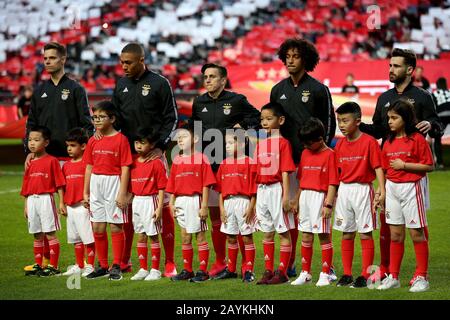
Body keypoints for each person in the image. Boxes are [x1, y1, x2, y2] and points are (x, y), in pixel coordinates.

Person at [359, 48, 441, 280]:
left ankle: (420, 271)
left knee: (417, 223)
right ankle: (386, 268)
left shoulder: (423, 96)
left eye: (395, 66)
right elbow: (377, 129)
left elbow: (436, 125)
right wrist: (358, 126)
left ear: (409, 70)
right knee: (387, 223)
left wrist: (431, 125)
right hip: (390, 167)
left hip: (414, 170)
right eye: (390, 65)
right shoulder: (384, 98)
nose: (391, 69)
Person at [23, 42, 93, 273]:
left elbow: (86, 123)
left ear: (63, 59)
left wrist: (85, 154)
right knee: (40, 210)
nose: (47, 61)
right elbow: (31, 123)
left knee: (76, 211)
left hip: (71, 159)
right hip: (45, 159)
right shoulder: (40, 90)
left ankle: (84, 263)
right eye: (45, 58)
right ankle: (42, 262)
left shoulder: (75, 89)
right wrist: (29, 151)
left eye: (52, 58)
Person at [270, 38, 336, 278]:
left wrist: (322, 153)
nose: (290, 59)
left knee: (318, 215)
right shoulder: (278, 90)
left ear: (306, 59)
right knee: (290, 214)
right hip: (287, 162)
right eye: (287, 55)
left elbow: (329, 123)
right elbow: (273, 126)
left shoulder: (319, 89)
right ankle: (290, 264)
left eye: (295, 56)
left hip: (313, 162)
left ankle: (328, 266)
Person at [112, 42, 178, 277]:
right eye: (121, 62)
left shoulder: (160, 83)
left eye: (128, 62)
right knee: (130, 207)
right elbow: (116, 118)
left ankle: (169, 262)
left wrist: (160, 146)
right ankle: (129, 261)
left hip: (154, 155)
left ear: (142, 60)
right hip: (129, 158)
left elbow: (172, 117)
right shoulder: (120, 85)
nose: (124, 67)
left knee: (163, 206)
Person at [190, 63, 260, 277]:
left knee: (237, 216)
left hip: (233, 165)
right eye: (205, 77)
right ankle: (222, 262)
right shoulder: (199, 101)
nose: (208, 80)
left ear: (223, 80)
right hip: (209, 165)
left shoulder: (236, 100)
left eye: (212, 76)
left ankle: (244, 265)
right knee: (215, 215)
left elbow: (257, 117)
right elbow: (194, 128)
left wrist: (243, 127)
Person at [376, 99, 433, 293]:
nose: (390, 121)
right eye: (388, 118)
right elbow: (383, 169)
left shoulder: (417, 139)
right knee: (396, 235)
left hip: (411, 188)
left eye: (394, 118)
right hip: (392, 189)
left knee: (416, 233)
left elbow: (429, 166)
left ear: (405, 118)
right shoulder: (388, 141)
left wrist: (405, 166)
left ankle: (422, 277)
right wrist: (380, 191)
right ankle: (394, 276)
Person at [332, 102, 385, 288]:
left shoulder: (369, 142)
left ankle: (365, 274)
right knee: (347, 233)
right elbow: (335, 173)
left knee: (365, 233)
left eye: (345, 120)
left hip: (363, 190)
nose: (341, 125)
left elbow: (379, 167)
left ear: (358, 120)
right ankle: (347, 274)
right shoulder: (339, 145)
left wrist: (382, 189)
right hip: (344, 190)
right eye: (339, 121)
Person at [83, 101, 132, 281]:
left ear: (112, 119)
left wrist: (122, 192)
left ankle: (117, 265)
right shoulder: (92, 140)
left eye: (101, 117)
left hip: (114, 183)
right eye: (94, 117)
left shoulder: (121, 140)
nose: (96, 120)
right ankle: (103, 265)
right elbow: (89, 166)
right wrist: (85, 191)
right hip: (96, 183)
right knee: (97, 225)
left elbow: (126, 167)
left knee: (115, 225)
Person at [290, 118, 338, 287]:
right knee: (306, 234)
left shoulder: (330, 154)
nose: (305, 147)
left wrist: (329, 204)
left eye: (308, 143)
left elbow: (333, 182)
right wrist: (296, 200)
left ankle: (326, 273)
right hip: (305, 198)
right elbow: (302, 179)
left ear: (320, 139)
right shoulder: (305, 153)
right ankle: (306, 273)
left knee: (324, 236)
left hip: (321, 198)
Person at [166, 125, 216, 283]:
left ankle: (202, 271)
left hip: (196, 200)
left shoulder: (202, 158)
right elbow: (172, 185)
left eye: (184, 136)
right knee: (185, 236)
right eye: (178, 137)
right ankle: (187, 270)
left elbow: (206, 184)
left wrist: (204, 206)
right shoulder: (177, 160)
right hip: (180, 201)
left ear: (194, 139)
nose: (180, 139)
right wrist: (172, 204)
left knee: (200, 236)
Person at [255, 102, 296, 285]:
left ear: (281, 120)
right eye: (262, 119)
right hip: (262, 190)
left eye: (269, 119)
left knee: (283, 232)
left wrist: (286, 196)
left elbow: (286, 171)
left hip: (276, 189)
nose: (264, 122)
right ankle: (268, 271)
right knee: (267, 232)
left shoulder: (284, 143)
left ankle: (283, 271)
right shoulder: (260, 145)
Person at [212, 130, 257, 282]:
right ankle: (231, 269)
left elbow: (254, 190)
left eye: (231, 143)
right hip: (228, 203)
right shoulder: (224, 163)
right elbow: (220, 190)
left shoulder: (250, 163)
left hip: (244, 202)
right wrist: (222, 209)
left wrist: (251, 207)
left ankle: (248, 270)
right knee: (231, 237)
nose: (227, 146)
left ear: (242, 144)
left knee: (246, 237)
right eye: (226, 143)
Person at [21, 125, 65, 276]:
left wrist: (61, 202)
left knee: (50, 233)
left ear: (46, 142)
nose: (32, 143)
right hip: (32, 201)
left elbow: (59, 183)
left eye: (36, 140)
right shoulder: (29, 162)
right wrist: (26, 205)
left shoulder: (52, 161)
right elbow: (26, 186)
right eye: (30, 140)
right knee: (37, 234)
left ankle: (53, 266)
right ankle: (39, 265)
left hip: (46, 199)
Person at [129, 127, 168, 281]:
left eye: (143, 143)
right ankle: (143, 268)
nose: (138, 146)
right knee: (141, 235)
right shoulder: (132, 163)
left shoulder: (156, 163)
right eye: (136, 142)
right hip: (137, 201)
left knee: (153, 236)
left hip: (150, 201)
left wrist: (158, 208)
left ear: (151, 145)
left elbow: (161, 187)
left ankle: (155, 270)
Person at [61, 128, 95, 277]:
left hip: (83, 206)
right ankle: (80, 265)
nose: (69, 148)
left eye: (73, 145)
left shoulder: (87, 164)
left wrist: (90, 199)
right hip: (70, 207)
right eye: (68, 145)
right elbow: (63, 187)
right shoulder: (66, 165)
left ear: (83, 146)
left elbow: (93, 184)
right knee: (76, 239)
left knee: (88, 238)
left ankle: (91, 265)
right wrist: (62, 203)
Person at [432, 77, 450, 170]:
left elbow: (432, 108)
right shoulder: (449, 92)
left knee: (437, 138)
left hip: (441, 115)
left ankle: (440, 163)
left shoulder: (434, 93)